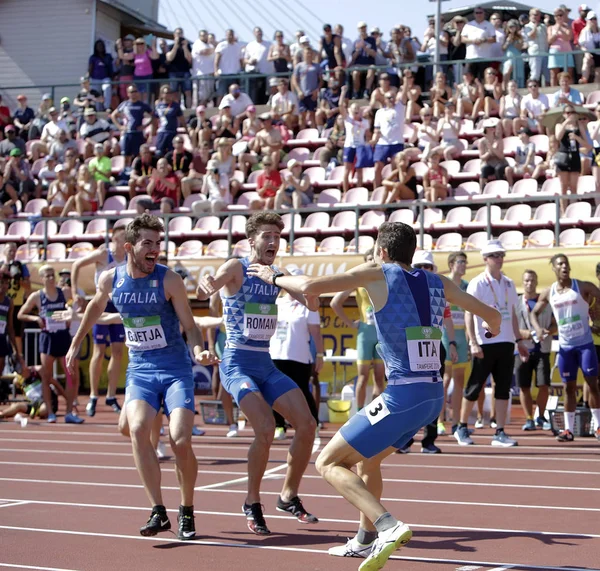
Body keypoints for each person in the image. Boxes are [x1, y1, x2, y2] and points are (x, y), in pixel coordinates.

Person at [246, 221, 501, 568]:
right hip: (432, 399)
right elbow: (492, 315)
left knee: (328, 462)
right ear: (411, 252)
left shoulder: (377, 273)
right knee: (369, 460)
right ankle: (365, 539)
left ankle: (387, 526)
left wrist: (273, 277)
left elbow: (308, 287)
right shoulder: (437, 281)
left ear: (381, 252)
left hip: (402, 397)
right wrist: (491, 326)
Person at [66, 214, 217, 539]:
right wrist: (77, 340)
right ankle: (158, 510)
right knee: (136, 429)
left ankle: (186, 509)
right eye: (148, 244)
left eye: (158, 244)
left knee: (179, 440)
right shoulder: (111, 279)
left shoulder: (169, 280)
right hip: (141, 371)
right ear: (129, 247)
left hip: (176, 370)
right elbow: (95, 307)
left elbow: (190, 327)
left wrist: (198, 353)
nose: (155, 250)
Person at [196, 212, 319, 535]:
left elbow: (313, 304)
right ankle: (252, 501)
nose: (274, 242)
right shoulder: (236, 267)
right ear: (252, 241)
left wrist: (279, 280)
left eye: (278, 236)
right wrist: (207, 284)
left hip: (265, 363)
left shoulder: (276, 273)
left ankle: (288, 495)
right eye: (267, 236)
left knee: (307, 425)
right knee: (265, 427)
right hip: (236, 363)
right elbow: (212, 283)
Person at [454, 240, 529, 447]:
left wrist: (518, 340)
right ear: (485, 259)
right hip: (485, 343)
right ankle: (461, 427)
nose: (499, 259)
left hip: (505, 342)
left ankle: (500, 432)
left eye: (501, 255)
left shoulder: (509, 283)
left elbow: (512, 313)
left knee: (503, 388)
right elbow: (468, 313)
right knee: (475, 386)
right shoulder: (478, 283)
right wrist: (473, 342)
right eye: (495, 255)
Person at [530, 254, 600, 441]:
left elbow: (598, 296)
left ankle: (598, 427)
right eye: (560, 264)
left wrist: (596, 318)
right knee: (568, 388)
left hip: (585, 345)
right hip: (566, 347)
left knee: (593, 384)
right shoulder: (549, 292)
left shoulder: (582, 286)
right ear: (553, 268)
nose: (564, 267)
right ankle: (568, 430)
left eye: (566, 264)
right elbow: (534, 313)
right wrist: (538, 329)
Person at [71, 226, 127, 417]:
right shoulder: (104, 254)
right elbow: (76, 265)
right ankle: (94, 395)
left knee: (118, 352)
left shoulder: (128, 257)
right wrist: (73, 292)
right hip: (102, 304)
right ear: (114, 239)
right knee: (99, 350)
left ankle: (111, 395)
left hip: (119, 305)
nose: (124, 241)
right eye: (121, 238)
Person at [18, 266, 83, 424]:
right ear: (42, 279)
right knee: (46, 377)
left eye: (52, 275)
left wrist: (70, 314)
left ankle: (68, 412)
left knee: (70, 376)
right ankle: (51, 413)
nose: (51, 278)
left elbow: (81, 303)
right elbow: (21, 314)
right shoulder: (37, 296)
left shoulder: (64, 292)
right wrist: (36, 319)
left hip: (62, 336)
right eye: (47, 276)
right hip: (47, 338)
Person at [270, 268, 324, 440]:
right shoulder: (277, 303)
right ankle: (279, 425)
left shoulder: (308, 303)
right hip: (276, 354)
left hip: (300, 355)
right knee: (275, 392)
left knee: (301, 391)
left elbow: (315, 332)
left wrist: (320, 355)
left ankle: (312, 423)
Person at [330, 249, 385, 411]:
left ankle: (377, 416)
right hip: (365, 332)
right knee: (362, 376)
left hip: (381, 334)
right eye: (367, 260)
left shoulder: (384, 279)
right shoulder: (359, 281)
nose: (370, 263)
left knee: (380, 378)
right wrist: (350, 323)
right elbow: (335, 302)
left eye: (373, 259)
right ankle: (359, 413)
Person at [515, 269, 554, 432]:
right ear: (522, 283)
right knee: (524, 386)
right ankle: (529, 418)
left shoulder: (545, 302)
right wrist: (528, 334)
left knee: (543, 384)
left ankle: (541, 416)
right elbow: (512, 328)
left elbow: (554, 324)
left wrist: (548, 331)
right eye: (526, 281)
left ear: (537, 282)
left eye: (532, 280)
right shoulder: (515, 302)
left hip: (542, 349)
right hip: (522, 349)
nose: (529, 284)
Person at [440, 252, 470, 435]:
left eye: (465, 262)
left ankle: (457, 422)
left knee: (460, 381)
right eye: (461, 262)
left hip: (462, 337)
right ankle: (439, 421)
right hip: (446, 335)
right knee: (445, 380)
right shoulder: (444, 284)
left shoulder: (467, 286)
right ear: (452, 264)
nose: (464, 265)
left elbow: (470, 312)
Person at [2, 243, 31, 356]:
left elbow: (28, 286)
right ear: (5, 252)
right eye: (10, 251)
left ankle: (18, 358)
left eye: (14, 251)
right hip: (3, 303)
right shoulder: (1, 265)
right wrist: (4, 269)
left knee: (17, 334)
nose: (12, 253)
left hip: (17, 304)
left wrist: (18, 279)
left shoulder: (21, 266)